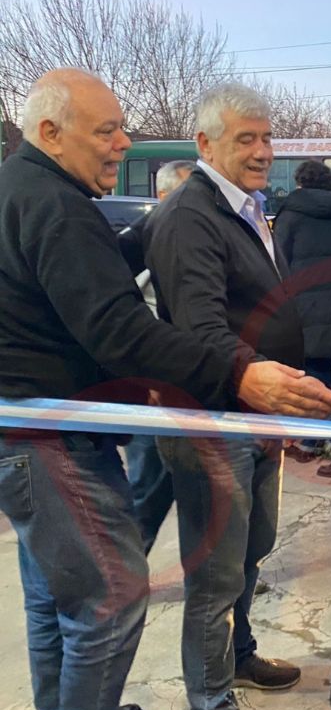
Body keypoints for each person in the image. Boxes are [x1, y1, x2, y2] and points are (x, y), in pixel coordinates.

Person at [0, 68, 331, 710]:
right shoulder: (58, 204)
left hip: (44, 434)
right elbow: (118, 327)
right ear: (49, 131)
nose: (123, 143)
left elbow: (76, 283)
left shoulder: (33, 191)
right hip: (54, 442)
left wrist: (135, 238)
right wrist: (240, 374)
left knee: (56, 600)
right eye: (107, 130)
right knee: (113, 597)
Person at [142, 83, 331, 710]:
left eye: (266, 138)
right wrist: (257, 377)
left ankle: (240, 653)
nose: (261, 151)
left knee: (252, 548)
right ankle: (211, 706)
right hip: (213, 420)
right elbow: (201, 331)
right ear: (205, 143)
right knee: (216, 575)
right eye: (244, 139)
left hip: (255, 416)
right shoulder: (191, 216)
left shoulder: (245, 206)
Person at [118, 159, 194, 552]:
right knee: (147, 491)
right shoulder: (142, 243)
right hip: (153, 394)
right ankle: (129, 573)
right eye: (187, 193)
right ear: (162, 197)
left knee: (195, 496)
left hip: (193, 393)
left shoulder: (197, 242)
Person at [272, 159, 331, 477]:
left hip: (304, 309)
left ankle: (327, 445)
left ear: (299, 183)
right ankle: (329, 444)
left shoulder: (289, 217)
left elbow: (277, 265)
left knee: (312, 376)